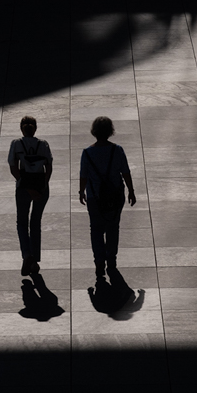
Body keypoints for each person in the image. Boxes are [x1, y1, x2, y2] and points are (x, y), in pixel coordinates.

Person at [78, 116, 136, 279]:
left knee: (95, 230)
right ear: (110, 131)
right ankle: (111, 261)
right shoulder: (117, 150)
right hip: (115, 196)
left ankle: (99, 263)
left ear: (94, 132)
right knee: (113, 228)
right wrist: (131, 190)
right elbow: (125, 172)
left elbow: (83, 175)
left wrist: (81, 191)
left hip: (95, 197)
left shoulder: (87, 153)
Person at [8, 116, 53, 276]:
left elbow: (13, 167)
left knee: (22, 222)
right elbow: (49, 166)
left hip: (23, 187)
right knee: (35, 223)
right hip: (41, 184)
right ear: (35, 128)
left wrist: (23, 184)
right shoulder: (43, 144)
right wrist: (42, 187)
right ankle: (34, 260)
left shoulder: (16, 144)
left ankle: (27, 255)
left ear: (21, 128)